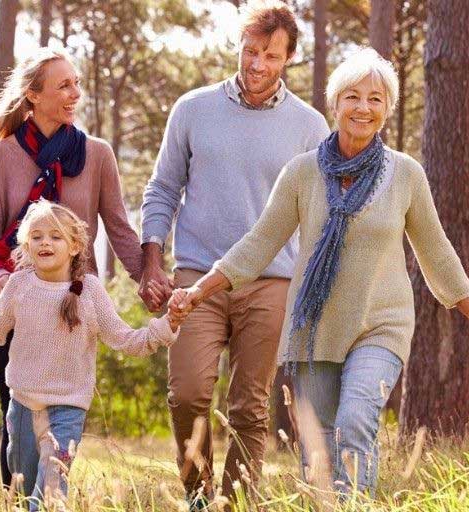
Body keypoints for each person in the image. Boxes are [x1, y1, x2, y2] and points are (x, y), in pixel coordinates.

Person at [170, 48, 469, 494]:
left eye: (375, 99)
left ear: (387, 109)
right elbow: (259, 244)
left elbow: (436, 251)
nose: (363, 107)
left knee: (356, 419)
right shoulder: (302, 173)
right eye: (352, 96)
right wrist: (198, 291)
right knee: (319, 450)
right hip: (315, 329)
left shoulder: (406, 175)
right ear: (335, 103)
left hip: (381, 325)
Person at [138, 0, 330, 504]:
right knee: (187, 393)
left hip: (271, 281)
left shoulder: (310, 127)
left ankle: (237, 503)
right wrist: (151, 261)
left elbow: (319, 214)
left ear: (289, 57)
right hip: (195, 277)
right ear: (239, 47)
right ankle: (199, 498)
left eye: (271, 55)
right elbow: (162, 188)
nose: (257, 64)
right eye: (250, 51)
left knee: (249, 407)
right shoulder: (193, 109)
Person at [0, 47, 146, 487]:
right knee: (16, 419)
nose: (75, 94)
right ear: (33, 95)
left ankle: (50, 497)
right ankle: (17, 498)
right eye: (64, 85)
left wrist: (148, 279)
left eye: (76, 83)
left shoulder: (97, 155)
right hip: (17, 306)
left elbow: (120, 228)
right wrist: (3, 282)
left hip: (74, 306)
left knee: (64, 419)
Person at [0, 201, 183, 510]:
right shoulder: (18, 285)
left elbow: (127, 340)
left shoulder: (89, 292)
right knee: (25, 490)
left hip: (67, 410)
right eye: (37, 236)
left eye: (56, 236)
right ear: (26, 245)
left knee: (50, 493)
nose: (46, 242)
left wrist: (168, 325)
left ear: (75, 246)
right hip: (22, 407)